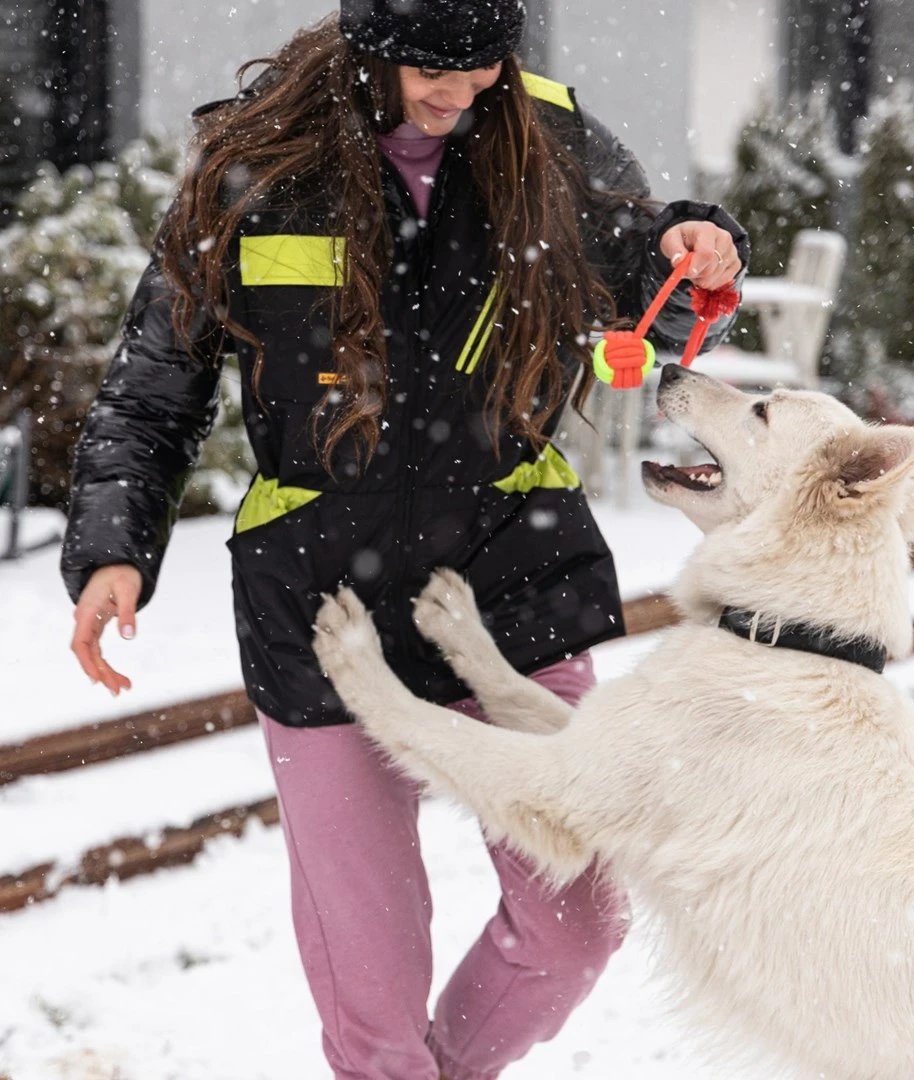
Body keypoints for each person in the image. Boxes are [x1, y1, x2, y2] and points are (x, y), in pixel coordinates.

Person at [61, 2, 749, 1077]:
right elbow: (157, 378)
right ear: (366, 46)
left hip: (507, 572)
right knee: (373, 991)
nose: (462, 92)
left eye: (484, 66)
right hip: (321, 592)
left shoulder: (550, 139)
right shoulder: (259, 159)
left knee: (579, 922)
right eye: (433, 69)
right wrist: (112, 545)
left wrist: (693, 251)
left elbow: (647, 299)